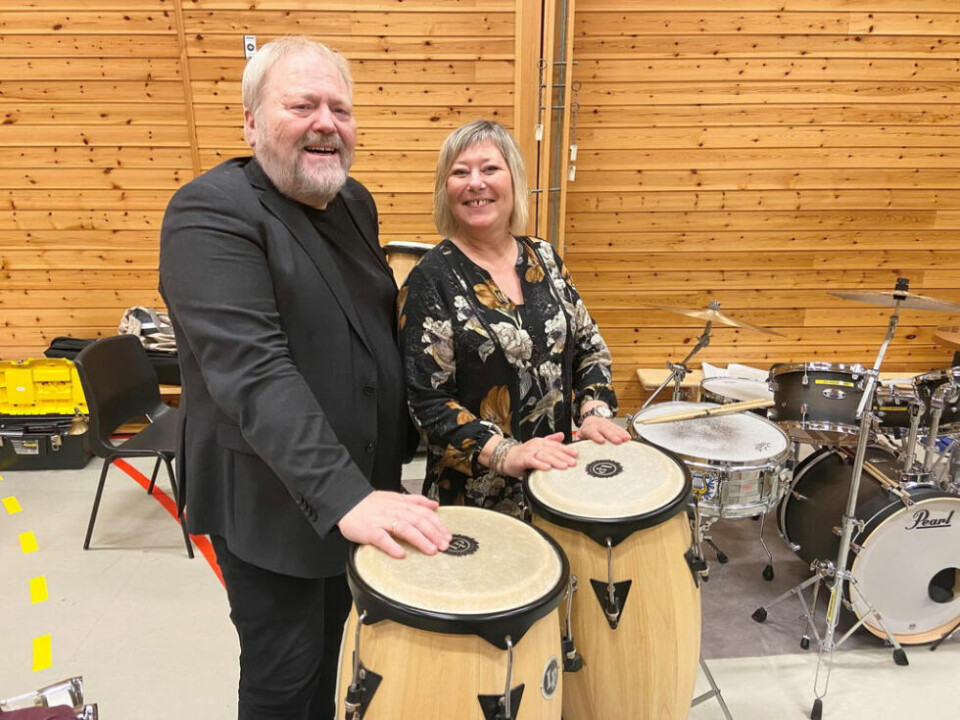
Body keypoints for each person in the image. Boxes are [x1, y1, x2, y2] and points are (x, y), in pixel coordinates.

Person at [158, 36, 451, 720]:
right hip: (273, 508)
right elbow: (253, 372)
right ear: (253, 122)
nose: (327, 122)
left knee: (339, 652)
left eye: (340, 109)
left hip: (358, 494)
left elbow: (369, 333)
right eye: (303, 105)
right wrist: (347, 494)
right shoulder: (210, 214)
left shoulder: (353, 201)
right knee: (286, 681)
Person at [399, 120, 631, 517]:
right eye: (460, 172)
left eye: (489, 168)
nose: (476, 183)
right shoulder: (429, 280)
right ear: (446, 189)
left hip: (558, 481)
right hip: (475, 500)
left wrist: (594, 411)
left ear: (513, 179)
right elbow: (427, 401)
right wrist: (505, 453)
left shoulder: (544, 257)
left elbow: (589, 348)